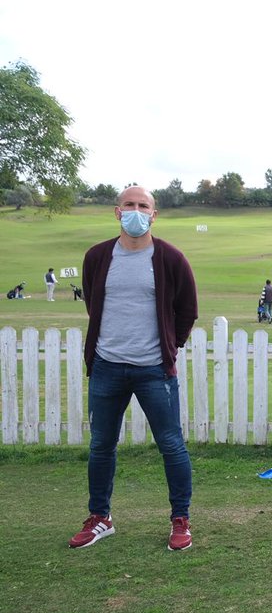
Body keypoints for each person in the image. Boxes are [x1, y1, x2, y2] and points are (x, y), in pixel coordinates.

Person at [70, 186, 198, 551]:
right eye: (129, 205)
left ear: (154, 215)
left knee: (171, 445)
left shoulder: (170, 258)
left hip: (154, 369)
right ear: (117, 212)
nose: (136, 211)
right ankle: (100, 517)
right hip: (107, 367)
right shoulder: (97, 257)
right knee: (101, 445)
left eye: (143, 206)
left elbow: (187, 310)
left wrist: (170, 347)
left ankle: (180, 519)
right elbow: (94, 304)